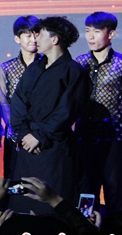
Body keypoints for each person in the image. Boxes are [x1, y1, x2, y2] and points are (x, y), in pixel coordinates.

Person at [10, 16, 89, 214]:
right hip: (27, 145)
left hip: (54, 146)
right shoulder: (34, 68)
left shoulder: (73, 71)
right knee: (23, 202)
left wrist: (39, 135)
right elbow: (18, 101)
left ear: (55, 39)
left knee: (51, 206)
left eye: (40, 34)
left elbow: (67, 110)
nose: (35, 38)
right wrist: (24, 133)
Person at [75, 11, 122, 214]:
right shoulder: (80, 62)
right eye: (87, 31)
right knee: (86, 184)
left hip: (113, 134)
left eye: (97, 31)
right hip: (84, 132)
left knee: (113, 184)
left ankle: (117, 228)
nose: (90, 36)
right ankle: (85, 226)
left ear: (111, 34)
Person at [0, 15, 40, 181]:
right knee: (15, 179)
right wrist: (17, 130)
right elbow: (2, 101)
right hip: (15, 134)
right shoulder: (7, 68)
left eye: (36, 34)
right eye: (28, 35)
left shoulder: (48, 65)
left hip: (41, 134)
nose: (33, 39)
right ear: (17, 38)